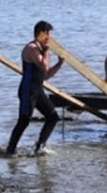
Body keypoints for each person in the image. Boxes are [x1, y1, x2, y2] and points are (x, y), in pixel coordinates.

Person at [6, 21, 65, 155]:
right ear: (40, 33)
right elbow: (44, 66)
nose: (49, 37)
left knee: (52, 117)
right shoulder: (32, 48)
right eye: (47, 33)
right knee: (24, 120)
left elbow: (46, 74)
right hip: (28, 90)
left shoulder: (42, 50)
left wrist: (59, 64)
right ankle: (10, 150)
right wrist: (46, 51)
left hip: (38, 90)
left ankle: (40, 146)